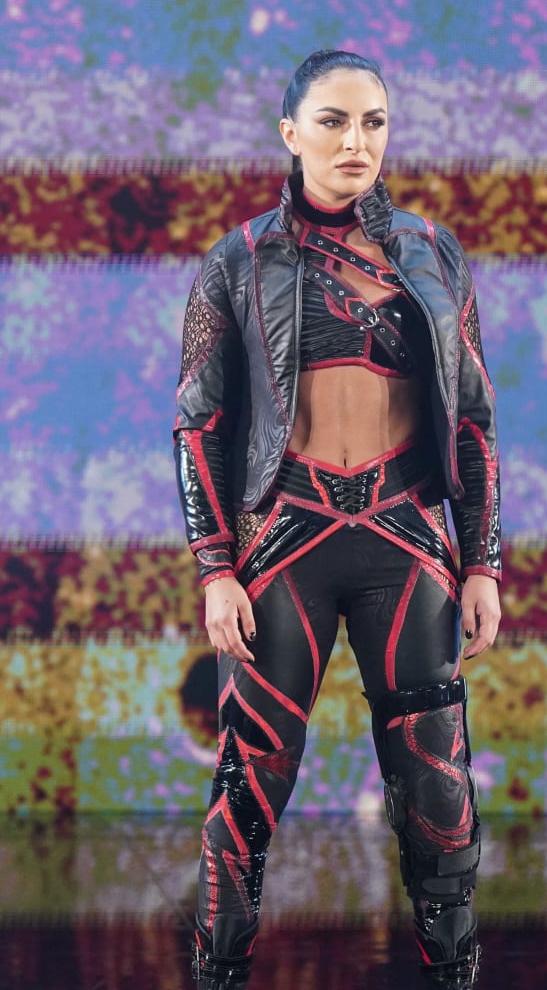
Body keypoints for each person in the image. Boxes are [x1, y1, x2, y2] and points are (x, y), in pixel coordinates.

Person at [174, 49, 504, 989]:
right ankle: (217, 973)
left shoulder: (434, 251)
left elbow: (473, 413)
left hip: (406, 536)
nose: (356, 141)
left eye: (373, 122)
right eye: (332, 121)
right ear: (290, 133)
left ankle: (454, 975)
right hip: (287, 537)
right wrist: (213, 566)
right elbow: (197, 420)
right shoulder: (238, 258)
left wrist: (481, 561)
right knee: (252, 779)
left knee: (436, 780)